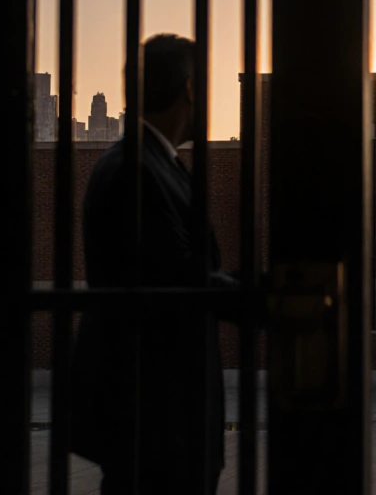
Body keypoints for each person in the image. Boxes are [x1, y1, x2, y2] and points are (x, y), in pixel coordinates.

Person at [70, 34, 235, 494]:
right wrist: (265, 296)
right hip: (158, 425)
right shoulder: (135, 170)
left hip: (161, 424)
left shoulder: (148, 163)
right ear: (188, 89)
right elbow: (178, 283)